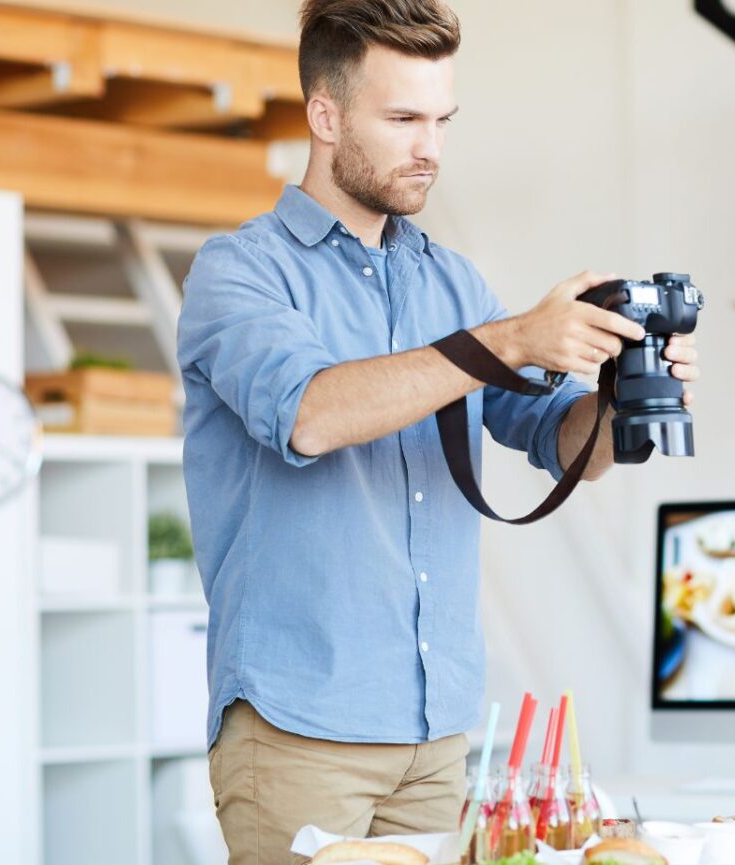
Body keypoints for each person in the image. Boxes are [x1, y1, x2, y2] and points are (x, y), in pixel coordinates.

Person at [175, 1, 700, 861]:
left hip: (441, 734)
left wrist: (622, 402)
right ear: (325, 115)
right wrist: (512, 338)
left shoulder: (451, 282)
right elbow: (311, 414)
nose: (431, 148)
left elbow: (551, 439)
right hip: (300, 732)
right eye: (404, 119)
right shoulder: (239, 272)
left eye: (443, 120)